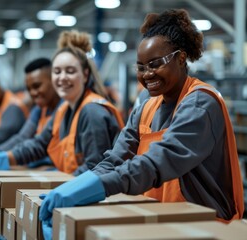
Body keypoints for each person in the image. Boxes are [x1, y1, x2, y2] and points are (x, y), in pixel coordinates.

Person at [39, 9, 244, 236]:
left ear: (181, 58)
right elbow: (115, 159)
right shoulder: (147, 105)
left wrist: (99, 187)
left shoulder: (199, 103)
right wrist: (79, 183)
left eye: (155, 64)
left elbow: (158, 162)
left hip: (205, 226)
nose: (147, 74)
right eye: (141, 67)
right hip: (162, 222)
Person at [0, 30, 124, 181]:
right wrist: (3, 157)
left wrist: (55, 183)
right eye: (57, 72)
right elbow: (39, 144)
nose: (62, 78)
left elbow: (95, 168)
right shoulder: (63, 110)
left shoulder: (92, 111)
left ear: (84, 74)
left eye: (70, 71)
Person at [0, 58, 63, 181]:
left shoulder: (64, 109)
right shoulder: (39, 110)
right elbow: (22, 137)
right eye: (29, 89)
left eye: (37, 86)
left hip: (58, 172)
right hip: (39, 166)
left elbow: (39, 144)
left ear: (54, 81)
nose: (33, 93)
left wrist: (3, 156)